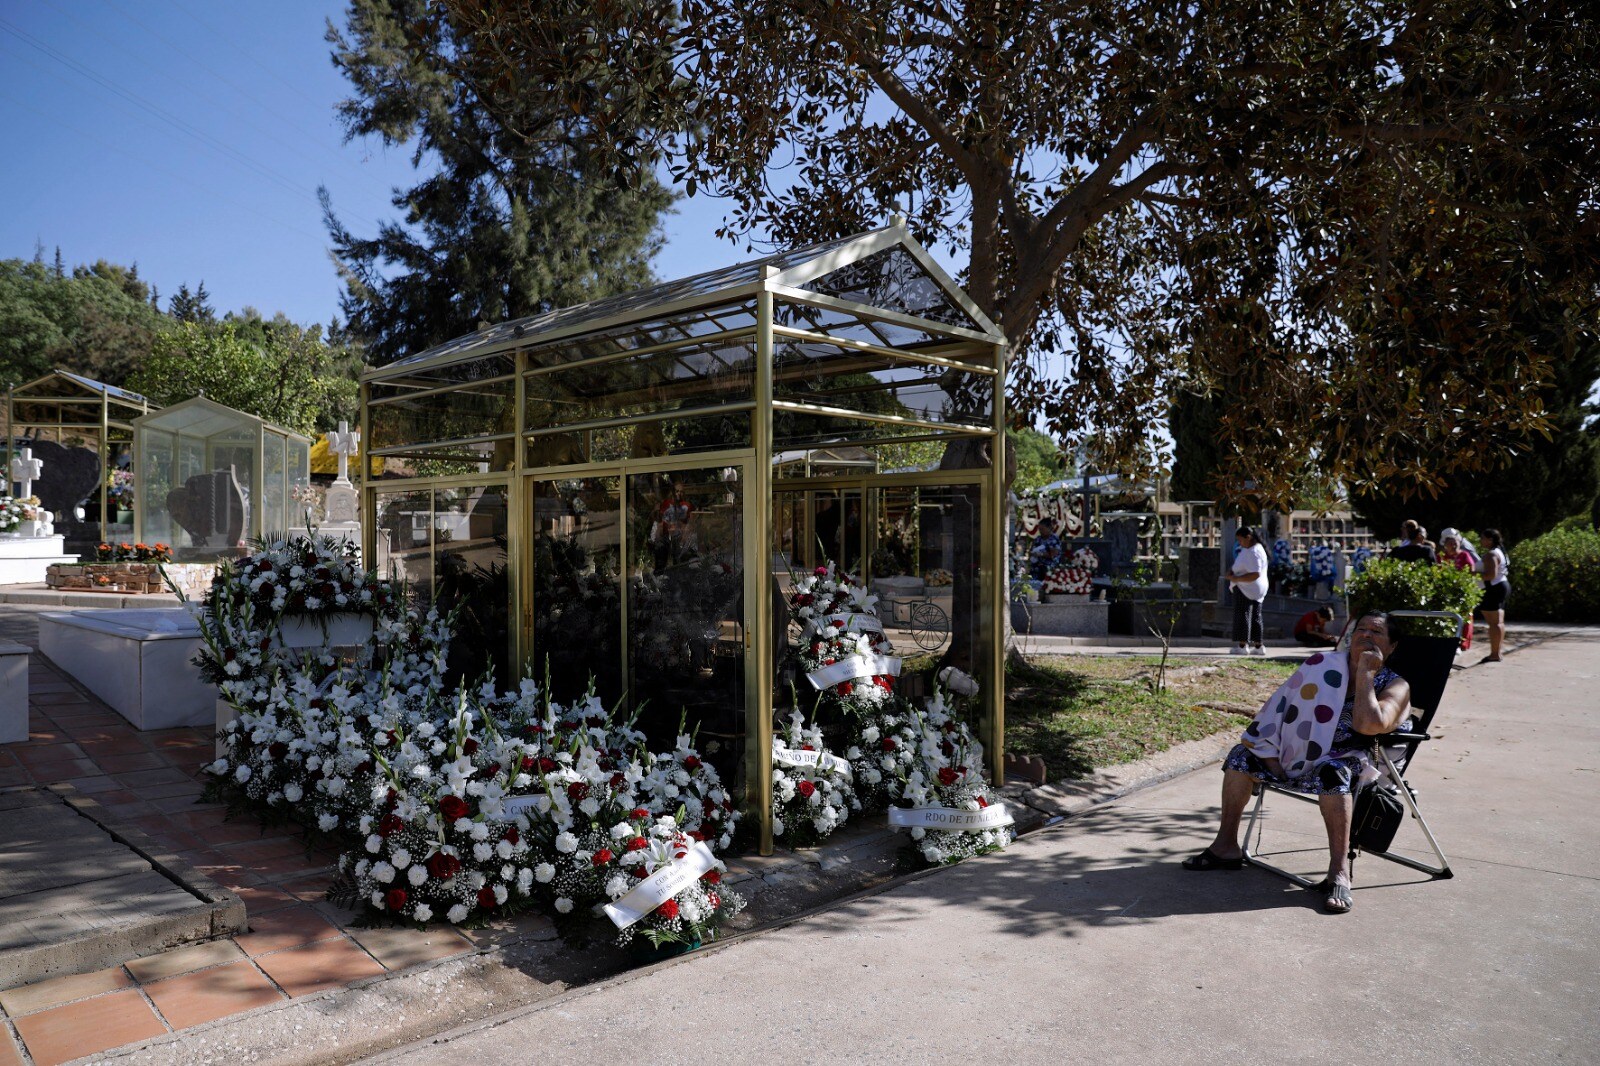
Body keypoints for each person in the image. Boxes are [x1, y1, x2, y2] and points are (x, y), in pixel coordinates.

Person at [1183, 611, 1413, 914]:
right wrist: (1272, 754)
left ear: (1392, 646)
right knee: (1241, 756)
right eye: (1361, 629)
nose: (1366, 636)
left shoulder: (1396, 685)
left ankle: (1338, 872)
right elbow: (1280, 707)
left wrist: (1366, 675)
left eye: (1377, 632)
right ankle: (1226, 846)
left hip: (1346, 761)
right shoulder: (1322, 666)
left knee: (1334, 773)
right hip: (1293, 755)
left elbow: (1370, 725)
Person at [1226, 526, 1269, 655]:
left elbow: (1254, 573)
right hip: (1256, 588)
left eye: (1240, 540)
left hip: (1246, 587)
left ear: (1248, 537)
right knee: (1256, 615)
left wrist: (1236, 578)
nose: (1240, 543)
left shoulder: (1254, 551)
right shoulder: (1255, 549)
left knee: (1243, 615)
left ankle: (1242, 645)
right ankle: (1258, 645)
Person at [1438, 529, 1480, 651]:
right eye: (1451, 543)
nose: (1454, 545)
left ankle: (1462, 644)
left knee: (1466, 617)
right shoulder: (1441, 557)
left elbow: (1471, 572)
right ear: (1445, 544)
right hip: (1446, 591)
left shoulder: (1464, 555)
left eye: (1455, 542)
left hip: (1463, 590)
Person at [1479, 528, 1510, 662]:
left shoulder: (1491, 554)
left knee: (1494, 623)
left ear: (1490, 540)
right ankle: (1497, 652)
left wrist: (1472, 574)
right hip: (1502, 585)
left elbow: (1491, 575)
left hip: (1494, 588)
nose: (1481, 540)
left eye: (1483, 538)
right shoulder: (1500, 551)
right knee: (1498, 622)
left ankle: (1495, 654)